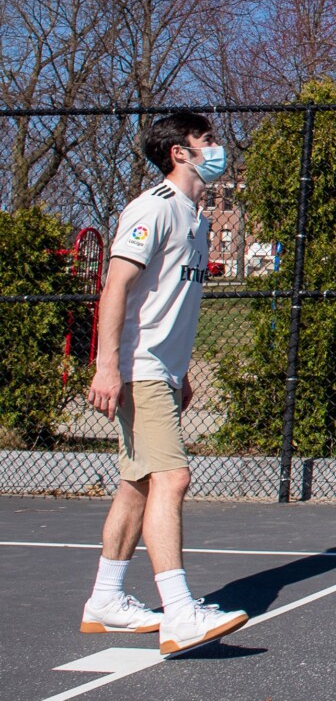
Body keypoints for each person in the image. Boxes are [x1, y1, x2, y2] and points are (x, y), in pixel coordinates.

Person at [82, 112, 249, 656]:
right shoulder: (153, 207)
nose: (218, 149)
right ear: (181, 152)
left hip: (162, 371)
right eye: (208, 141)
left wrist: (181, 373)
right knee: (172, 478)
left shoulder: (195, 219)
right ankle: (179, 613)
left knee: (139, 483)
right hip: (139, 365)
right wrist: (108, 365)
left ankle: (105, 599)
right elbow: (117, 286)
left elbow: (167, 305)